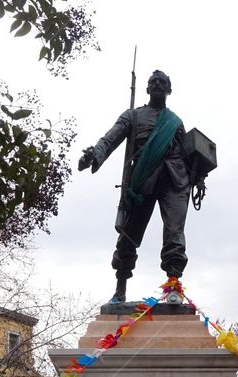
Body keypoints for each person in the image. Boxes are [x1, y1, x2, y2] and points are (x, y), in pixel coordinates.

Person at [78, 69, 197, 303]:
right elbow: (110, 139)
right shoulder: (133, 116)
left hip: (174, 179)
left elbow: (188, 152)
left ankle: (173, 287)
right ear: (147, 88)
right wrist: (95, 154)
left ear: (169, 90)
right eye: (154, 81)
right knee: (128, 234)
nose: (158, 84)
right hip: (142, 179)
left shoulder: (175, 122)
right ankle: (120, 290)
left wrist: (198, 172)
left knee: (174, 232)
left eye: (163, 82)